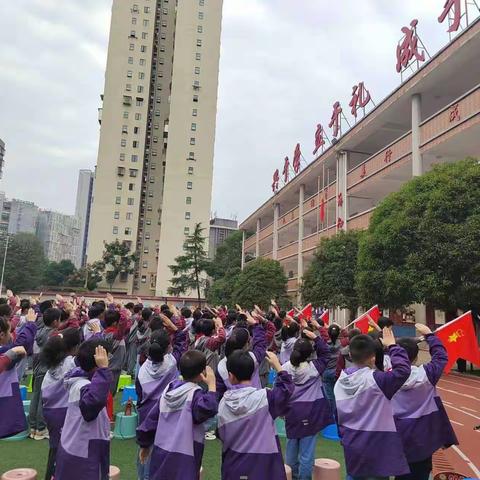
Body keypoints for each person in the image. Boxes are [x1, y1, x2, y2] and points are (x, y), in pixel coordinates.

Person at [334, 329, 411, 480]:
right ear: (373, 358)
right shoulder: (378, 380)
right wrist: (393, 346)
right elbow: (403, 371)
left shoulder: (340, 382)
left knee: (354, 474)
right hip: (378, 443)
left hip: (352, 439)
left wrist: (343, 436)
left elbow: (337, 414)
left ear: (350, 355)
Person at [137, 351, 218, 480]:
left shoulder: (168, 390)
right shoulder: (195, 395)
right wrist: (212, 384)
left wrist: (144, 444)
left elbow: (151, 419)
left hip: (162, 450)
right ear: (202, 373)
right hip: (185, 455)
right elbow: (209, 408)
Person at [393, 324, 458, 480]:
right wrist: (430, 336)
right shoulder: (427, 375)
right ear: (415, 357)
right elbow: (441, 356)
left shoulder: (383, 377)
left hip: (395, 434)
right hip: (422, 437)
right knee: (420, 473)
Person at [217, 350, 294, 480]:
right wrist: (277, 365)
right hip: (264, 464)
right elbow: (287, 388)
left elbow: (222, 434)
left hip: (234, 462)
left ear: (230, 376)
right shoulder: (266, 398)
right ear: (253, 372)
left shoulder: (222, 403)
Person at [135, 319, 187, 480]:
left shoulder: (142, 369)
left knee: (145, 452)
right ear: (168, 348)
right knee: (164, 450)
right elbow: (182, 344)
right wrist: (175, 329)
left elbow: (139, 393)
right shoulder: (172, 363)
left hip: (146, 413)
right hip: (167, 412)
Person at [55, 340, 112, 480]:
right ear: (97, 362)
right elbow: (92, 405)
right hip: (82, 453)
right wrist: (103, 370)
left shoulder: (80, 378)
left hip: (75, 447)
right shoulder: (83, 385)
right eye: (106, 358)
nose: (108, 361)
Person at [283, 329, 332, 480]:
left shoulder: (284, 368)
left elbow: (280, 392)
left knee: (291, 448)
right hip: (311, 413)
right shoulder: (314, 368)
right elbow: (326, 354)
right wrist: (316, 337)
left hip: (291, 412)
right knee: (307, 453)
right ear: (310, 353)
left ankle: (291, 476)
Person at [41, 328, 82, 480]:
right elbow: (90, 353)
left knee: (54, 447)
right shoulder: (70, 364)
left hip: (50, 412)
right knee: (65, 448)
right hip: (64, 412)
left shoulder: (49, 370)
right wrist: (97, 334)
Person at [0, 310, 37, 439]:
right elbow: (23, 342)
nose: (11, 335)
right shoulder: (5, 352)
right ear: (1, 334)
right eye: (9, 332)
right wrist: (31, 324)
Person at [216, 313, 267, 400]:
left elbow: (219, 392)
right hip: (255, 400)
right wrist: (255, 324)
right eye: (248, 340)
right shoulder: (253, 359)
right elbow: (260, 344)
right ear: (245, 345)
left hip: (232, 404)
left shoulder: (221, 365)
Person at [30, 307, 62, 440]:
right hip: (47, 369)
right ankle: (41, 428)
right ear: (55, 321)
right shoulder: (54, 335)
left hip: (37, 368)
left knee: (36, 396)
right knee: (43, 400)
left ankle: (33, 427)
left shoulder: (39, 331)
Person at [103, 309, 128, 395]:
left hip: (113, 367)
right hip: (112, 368)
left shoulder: (106, 332)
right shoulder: (113, 335)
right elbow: (123, 325)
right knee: (109, 394)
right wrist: (122, 313)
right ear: (114, 323)